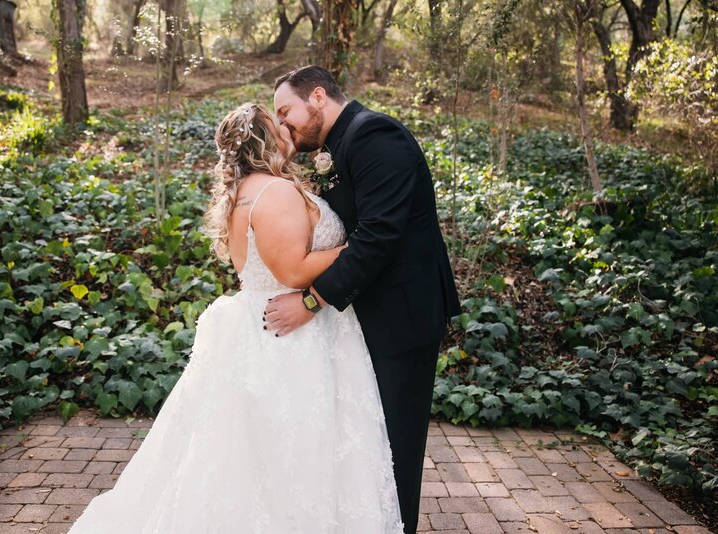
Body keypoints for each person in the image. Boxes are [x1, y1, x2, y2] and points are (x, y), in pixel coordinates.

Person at [65, 102, 405, 533]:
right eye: (277, 123)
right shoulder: (275, 192)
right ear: (265, 139)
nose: (286, 127)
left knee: (251, 458)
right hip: (292, 333)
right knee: (293, 456)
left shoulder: (244, 191)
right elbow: (293, 271)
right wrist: (357, 247)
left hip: (261, 328)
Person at [265, 65, 461, 534]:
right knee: (370, 443)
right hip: (366, 317)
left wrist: (311, 302)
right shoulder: (337, 144)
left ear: (317, 96)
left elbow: (378, 237)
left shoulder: (374, 134)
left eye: (285, 111)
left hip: (402, 317)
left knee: (395, 446)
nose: (282, 124)